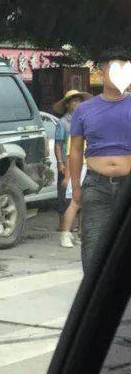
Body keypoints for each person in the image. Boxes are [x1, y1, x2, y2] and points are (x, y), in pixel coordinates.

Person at [70, 48, 131, 271]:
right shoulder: (84, 110)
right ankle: (96, 299)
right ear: (101, 74)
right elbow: (75, 150)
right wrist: (76, 188)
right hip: (96, 186)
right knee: (93, 247)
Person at [54, 90, 89, 247]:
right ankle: (65, 232)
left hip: (87, 165)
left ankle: (81, 233)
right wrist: (62, 166)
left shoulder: (85, 120)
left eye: (79, 101)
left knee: (84, 203)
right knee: (72, 201)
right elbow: (63, 147)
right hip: (73, 166)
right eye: (74, 101)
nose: (77, 104)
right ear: (67, 104)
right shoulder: (64, 123)